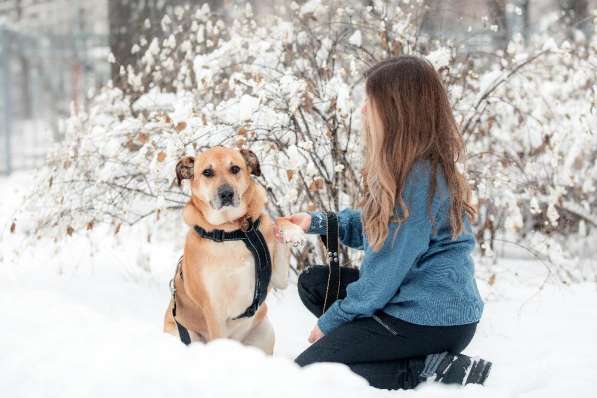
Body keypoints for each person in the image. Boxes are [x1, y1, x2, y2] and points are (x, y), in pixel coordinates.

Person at [275, 56, 492, 390]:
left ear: (395, 111)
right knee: (314, 283)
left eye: (369, 102)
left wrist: (333, 323)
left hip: (431, 319)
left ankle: (422, 369)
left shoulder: (416, 181)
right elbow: (376, 227)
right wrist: (318, 223)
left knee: (309, 372)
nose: (363, 111)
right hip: (421, 302)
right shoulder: (413, 167)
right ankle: (380, 350)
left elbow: (382, 276)